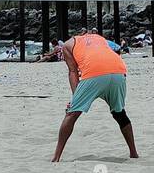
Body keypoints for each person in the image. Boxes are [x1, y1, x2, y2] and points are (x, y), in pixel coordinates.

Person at [51, 30, 138, 162]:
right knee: (119, 113)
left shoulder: (67, 46)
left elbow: (73, 72)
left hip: (95, 73)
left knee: (71, 114)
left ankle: (56, 157)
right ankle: (133, 153)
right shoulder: (99, 38)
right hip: (119, 71)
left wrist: (75, 100)